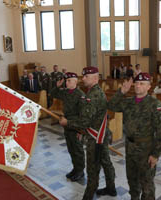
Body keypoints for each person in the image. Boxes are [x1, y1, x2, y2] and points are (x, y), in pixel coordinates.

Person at [107, 72, 161, 200]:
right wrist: (122, 91)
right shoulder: (128, 102)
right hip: (130, 147)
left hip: (146, 149)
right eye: (136, 83)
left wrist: (156, 154)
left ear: (148, 87)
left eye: (142, 84)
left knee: (147, 184)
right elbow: (111, 105)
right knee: (132, 180)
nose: (138, 86)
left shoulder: (155, 104)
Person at [59, 66, 116, 200]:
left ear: (95, 78)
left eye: (86, 76)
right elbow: (92, 119)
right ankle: (111, 188)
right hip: (99, 133)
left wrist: (68, 123)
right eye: (83, 76)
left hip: (96, 137)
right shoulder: (93, 92)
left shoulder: (92, 96)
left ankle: (88, 196)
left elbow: (84, 121)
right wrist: (83, 132)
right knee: (106, 162)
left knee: (92, 167)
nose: (83, 78)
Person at [50, 72, 85, 181]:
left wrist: (80, 129)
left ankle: (80, 171)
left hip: (76, 126)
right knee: (71, 149)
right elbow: (52, 94)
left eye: (69, 80)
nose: (67, 82)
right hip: (66, 125)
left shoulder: (80, 94)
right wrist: (57, 86)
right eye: (66, 80)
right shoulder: (65, 92)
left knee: (78, 150)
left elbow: (83, 115)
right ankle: (75, 168)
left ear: (75, 81)